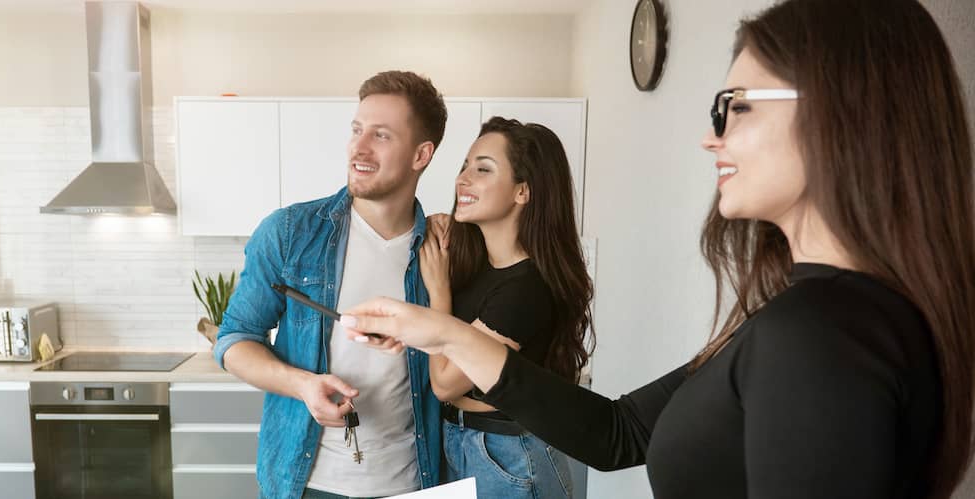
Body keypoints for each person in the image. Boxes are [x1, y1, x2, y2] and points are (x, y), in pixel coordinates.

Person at [342, 1, 975, 498]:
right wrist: (439, 330)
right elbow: (620, 434)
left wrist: (444, 328)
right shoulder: (813, 316)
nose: (710, 137)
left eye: (736, 107)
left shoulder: (822, 336)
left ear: (845, 115)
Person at [212, 70, 448, 499]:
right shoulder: (289, 233)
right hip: (308, 485)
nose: (358, 147)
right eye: (357, 130)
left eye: (381, 135)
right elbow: (233, 342)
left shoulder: (444, 250)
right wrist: (303, 385)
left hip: (415, 483)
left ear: (421, 154)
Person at [416, 117, 593, 498]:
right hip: (461, 444)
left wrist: (440, 295)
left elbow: (445, 383)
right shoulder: (479, 266)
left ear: (522, 192)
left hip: (509, 457)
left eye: (483, 169)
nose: (463, 179)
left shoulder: (527, 288)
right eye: (464, 166)